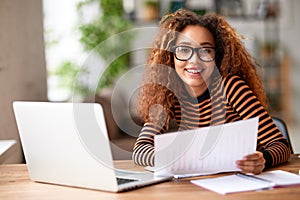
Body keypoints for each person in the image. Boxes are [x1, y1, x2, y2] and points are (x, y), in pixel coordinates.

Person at [132, 8, 291, 174]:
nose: (194, 60)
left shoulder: (230, 88)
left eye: (205, 51)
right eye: (184, 50)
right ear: (170, 56)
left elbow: (280, 145)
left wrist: (262, 159)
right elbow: (140, 149)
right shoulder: (170, 94)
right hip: (206, 182)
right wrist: (173, 157)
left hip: (243, 180)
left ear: (217, 57)